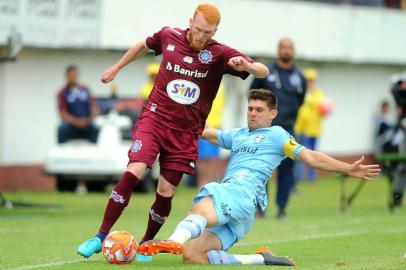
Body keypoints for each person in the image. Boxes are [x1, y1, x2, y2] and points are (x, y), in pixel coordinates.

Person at [76, 3, 269, 260]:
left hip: (186, 133)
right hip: (154, 120)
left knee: (165, 191)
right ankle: (99, 237)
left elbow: (262, 70)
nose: (201, 36)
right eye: (198, 30)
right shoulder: (169, 36)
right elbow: (141, 46)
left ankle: (146, 244)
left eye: (208, 33)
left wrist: (246, 65)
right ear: (190, 22)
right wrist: (115, 68)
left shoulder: (220, 53)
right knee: (133, 172)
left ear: (215, 31)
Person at [137, 89, 380, 266]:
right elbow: (207, 132)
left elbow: (311, 157)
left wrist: (348, 169)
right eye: (250, 109)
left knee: (200, 209)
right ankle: (260, 258)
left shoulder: (277, 135)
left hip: (241, 193)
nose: (253, 114)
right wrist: (179, 111)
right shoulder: (239, 135)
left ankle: (172, 240)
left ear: (272, 113)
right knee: (193, 257)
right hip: (243, 212)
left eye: (259, 110)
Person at [250, 38, 307, 218]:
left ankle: (282, 208)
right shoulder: (267, 72)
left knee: (286, 170)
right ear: (279, 50)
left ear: (294, 51)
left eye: (290, 48)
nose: (287, 51)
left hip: (288, 130)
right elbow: (253, 94)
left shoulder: (300, 76)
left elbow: (301, 100)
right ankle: (260, 208)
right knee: (261, 170)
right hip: (265, 130)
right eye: (284, 47)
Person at [294, 68, 325, 182]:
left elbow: (322, 107)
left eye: (312, 80)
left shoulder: (318, 93)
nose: (310, 82)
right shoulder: (301, 92)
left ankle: (311, 177)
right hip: (302, 129)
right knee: (303, 154)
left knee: (315, 153)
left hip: (315, 129)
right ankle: (299, 178)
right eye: (308, 80)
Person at [57, 65, 100, 144]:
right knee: (62, 128)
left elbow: (94, 107)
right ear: (67, 76)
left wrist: (88, 120)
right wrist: (77, 122)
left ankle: (94, 151)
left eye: (74, 74)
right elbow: (63, 113)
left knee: (96, 128)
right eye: (71, 75)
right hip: (71, 124)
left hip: (86, 123)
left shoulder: (85, 89)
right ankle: (61, 150)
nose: (73, 77)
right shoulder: (63, 92)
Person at [197, 83, 225, 188]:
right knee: (202, 157)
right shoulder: (203, 82)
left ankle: (210, 182)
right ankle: (203, 182)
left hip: (215, 125)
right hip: (202, 125)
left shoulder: (219, 84)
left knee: (213, 157)